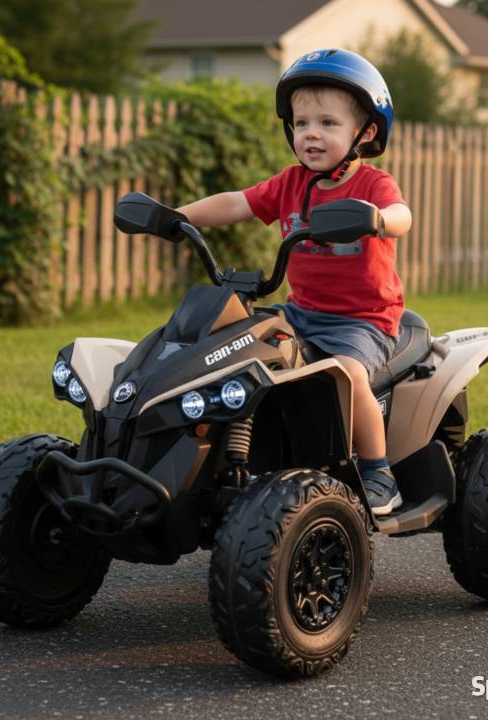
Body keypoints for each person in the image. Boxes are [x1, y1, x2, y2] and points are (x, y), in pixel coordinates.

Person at [177, 48, 412, 515]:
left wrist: (381, 220)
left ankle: (378, 470)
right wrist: (179, 217)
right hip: (301, 313)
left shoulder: (372, 186)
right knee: (238, 351)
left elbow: (402, 215)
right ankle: (229, 461)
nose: (312, 134)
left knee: (349, 377)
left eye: (328, 123)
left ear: (364, 133)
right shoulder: (289, 184)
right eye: (302, 123)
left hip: (361, 322)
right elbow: (237, 203)